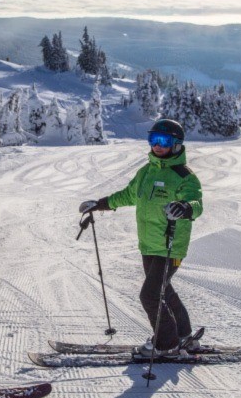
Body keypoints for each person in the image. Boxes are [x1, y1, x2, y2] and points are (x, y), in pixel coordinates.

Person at [80, 118, 203, 356]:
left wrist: (185, 207)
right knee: (163, 291)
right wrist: (100, 204)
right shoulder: (146, 171)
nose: (157, 145)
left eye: (164, 140)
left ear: (176, 144)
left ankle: (166, 344)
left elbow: (196, 203)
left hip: (170, 247)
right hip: (148, 245)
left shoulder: (184, 176)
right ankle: (184, 336)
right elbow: (128, 195)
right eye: (153, 139)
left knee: (149, 295)